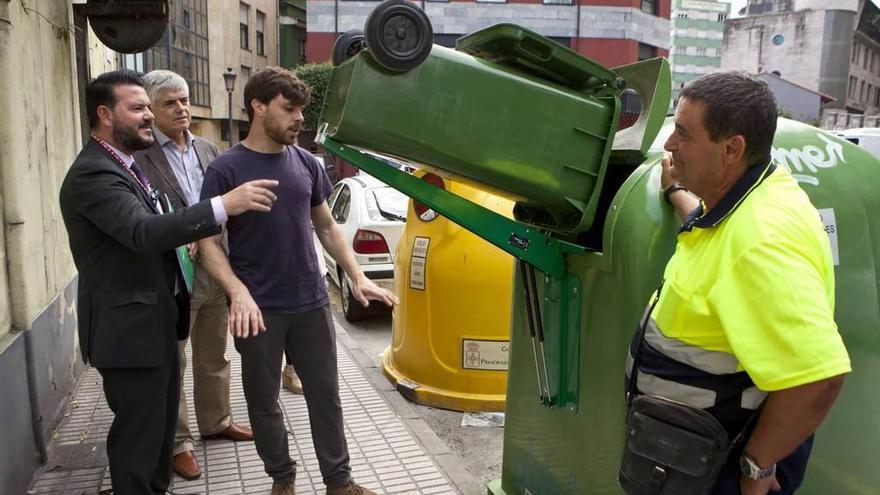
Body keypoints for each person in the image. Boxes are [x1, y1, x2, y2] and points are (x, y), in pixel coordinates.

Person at [627, 71, 851, 495]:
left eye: (684, 134)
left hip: (720, 467)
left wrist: (756, 470)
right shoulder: (752, 194)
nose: (670, 145)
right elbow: (718, 235)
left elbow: (820, 378)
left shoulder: (761, 242)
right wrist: (678, 192)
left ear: (732, 149)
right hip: (690, 452)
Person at [59, 69, 278, 495]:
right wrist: (221, 205)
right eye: (138, 108)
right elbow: (141, 232)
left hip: (154, 321)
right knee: (139, 443)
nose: (148, 117)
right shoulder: (93, 173)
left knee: (156, 437)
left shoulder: (121, 164)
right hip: (128, 334)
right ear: (105, 115)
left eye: (147, 106)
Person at [197, 66, 397, 495]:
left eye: (301, 111)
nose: (298, 119)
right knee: (263, 402)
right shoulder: (226, 169)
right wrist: (237, 292)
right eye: (289, 109)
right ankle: (282, 479)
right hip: (258, 309)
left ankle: (339, 483)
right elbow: (207, 242)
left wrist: (356, 275)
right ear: (258, 106)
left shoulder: (306, 162)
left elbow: (326, 226)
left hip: (310, 301)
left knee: (326, 397)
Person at [133, 70, 254, 481]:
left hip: (215, 266)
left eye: (184, 100)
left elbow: (222, 202)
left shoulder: (207, 148)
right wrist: (179, 234)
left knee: (214, 352)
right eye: (170, 102)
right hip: (174, 272)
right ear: (151, 109)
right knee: (175, 360)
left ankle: (217, 420)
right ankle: (179, 443)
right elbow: (142, 217)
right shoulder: (140, 156)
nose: (182, 108)